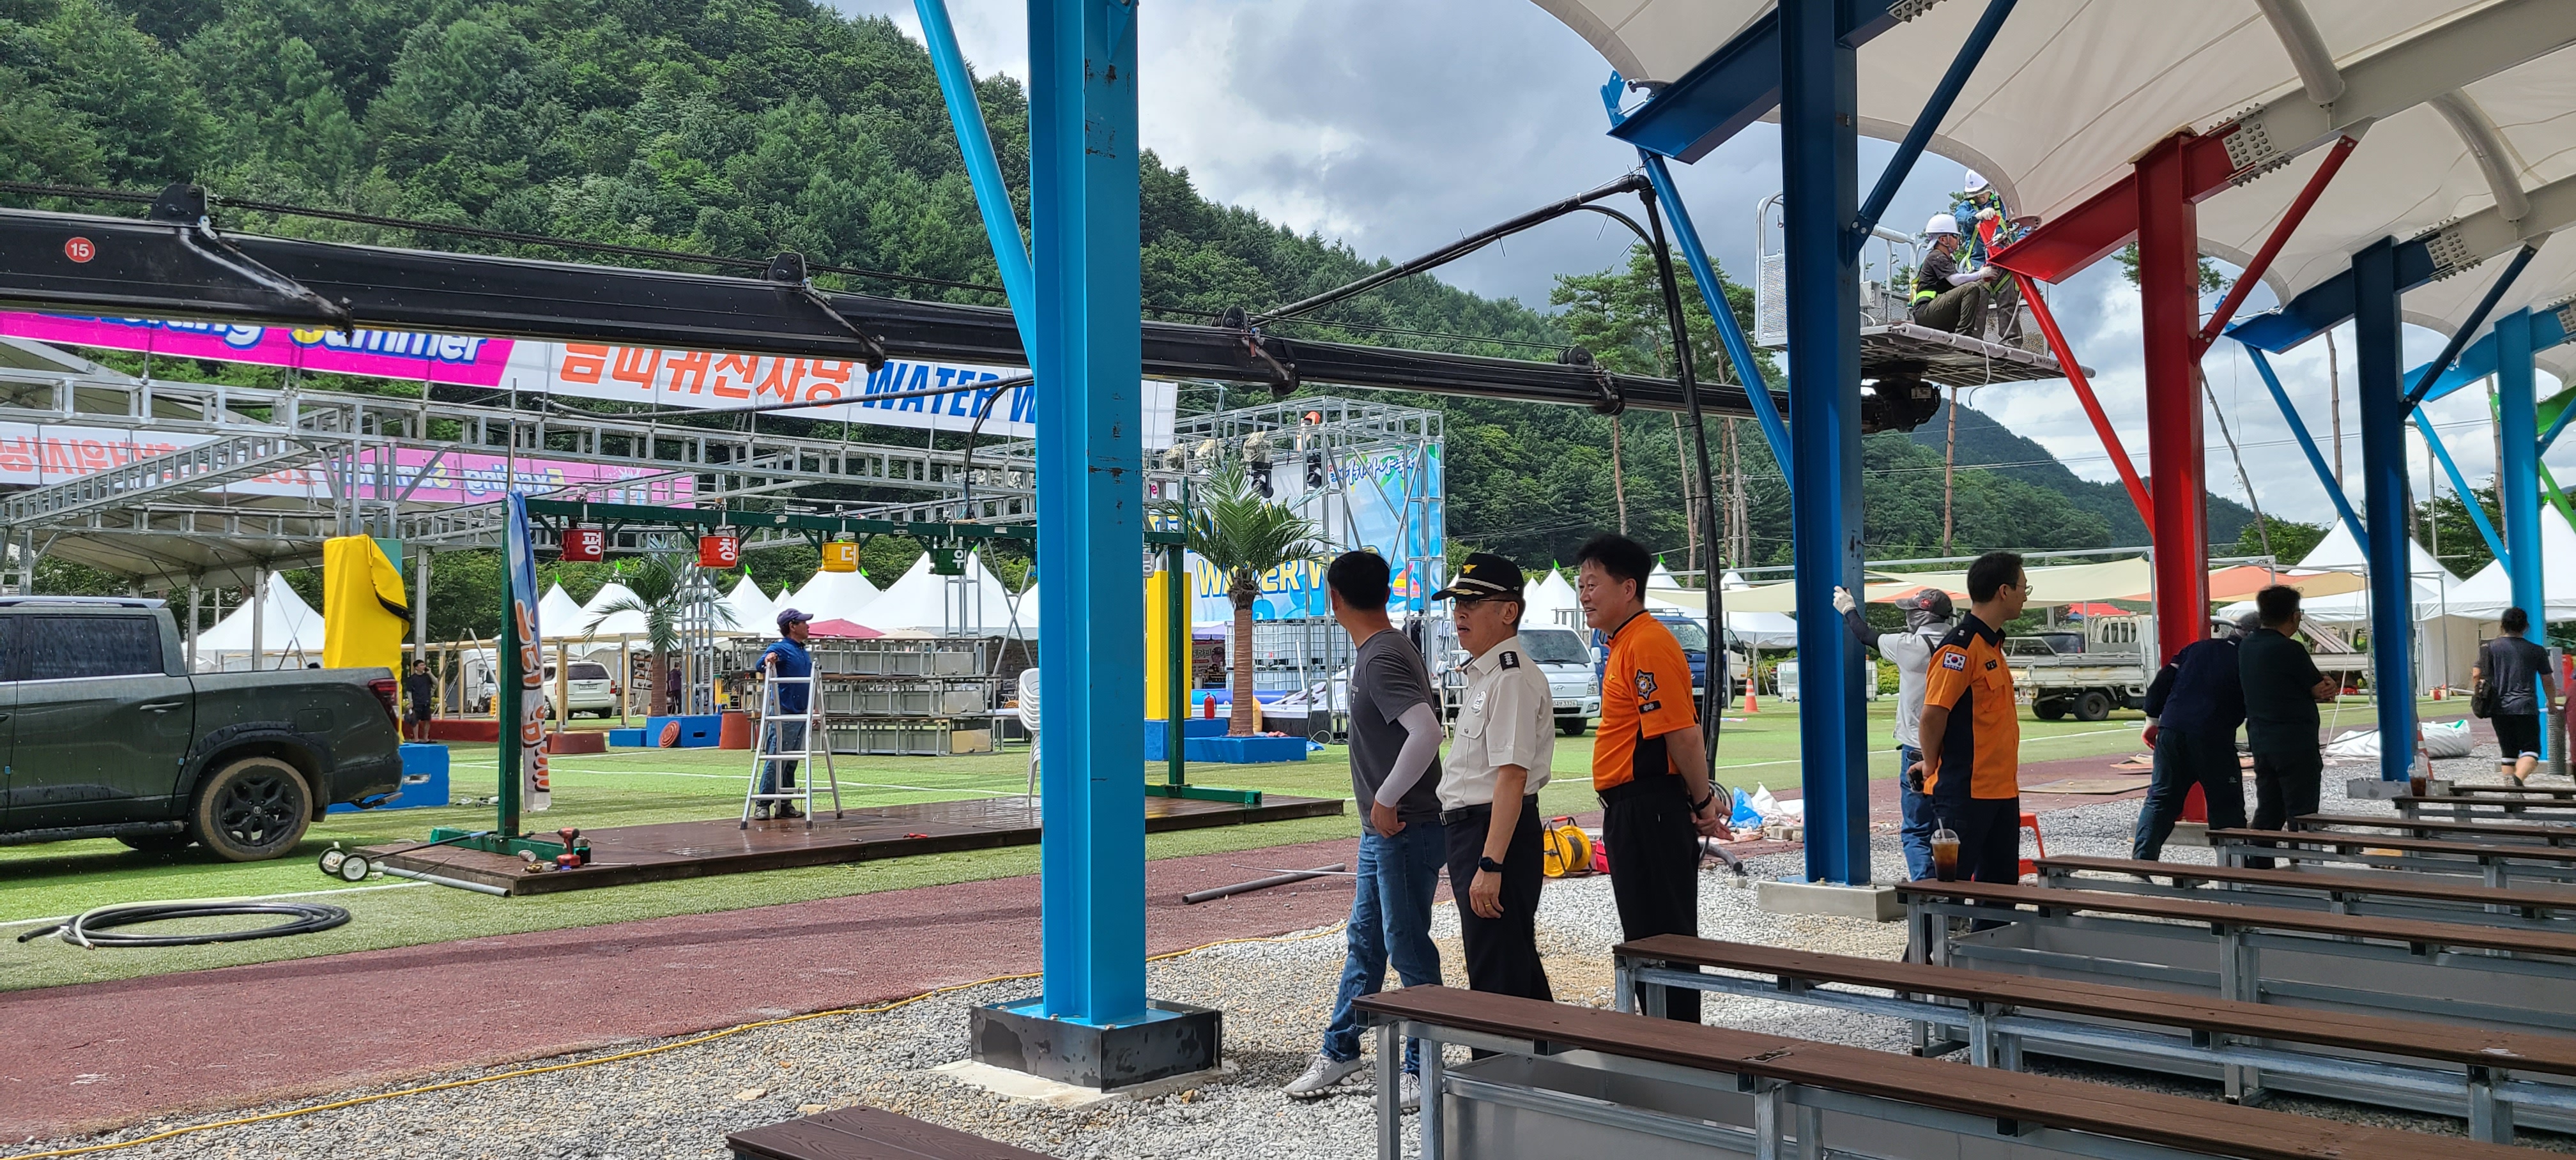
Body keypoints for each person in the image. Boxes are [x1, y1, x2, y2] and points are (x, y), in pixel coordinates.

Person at [1285, 551, 1446, 1108]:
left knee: (1406, 947)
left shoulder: (1379, 657)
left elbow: (1427, 732)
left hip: (1402, 826)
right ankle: (1342, 1048)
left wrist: (1386, 797)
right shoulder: (1387, 649)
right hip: (1389, 831)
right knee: (1367, 941)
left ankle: (1421, 1065)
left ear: (1334, 598)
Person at [1577, 533, 1728, 1025]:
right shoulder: (1625, 643)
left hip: (1650, 808)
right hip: (1633, 809)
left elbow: (1682, 733)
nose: (1584, 595)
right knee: (1645, 937)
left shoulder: (1646, 642)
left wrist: (1702, 802)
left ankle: (1679, 1043)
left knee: (1664, 938)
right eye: (1581, 585)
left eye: (1593, 584)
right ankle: (1663, 1039)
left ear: (1628, 588)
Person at [1432, 553, 1553, 1004]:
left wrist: (1490, 864)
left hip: (1494, 834)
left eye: (1473, 602)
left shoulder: (1510, 679)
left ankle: (1506, 1053)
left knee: (1497, 976)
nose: (1459, 613)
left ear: (1508, 612)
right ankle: (1547, 1047)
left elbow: (1512, 777)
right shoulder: (1488, 675)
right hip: (1480, 832)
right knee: (1511, 965)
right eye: (1457, 603)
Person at [1912, 551, 2032, 885]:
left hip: (2001, 791)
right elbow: (1933, 714)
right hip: (1965, 794)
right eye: (2023, 588)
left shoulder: (1992, 646)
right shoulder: (1961, 648)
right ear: (2004, 591)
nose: (2025, 596)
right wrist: (1931, 765)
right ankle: (1931, 927)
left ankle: (1992, 925)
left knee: (2000, 890)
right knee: (1948, 889)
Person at [1836, 585, 1954, 880]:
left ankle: (1927, 892)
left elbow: (1866, 635)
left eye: (1911, 612)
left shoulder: (1910, 646)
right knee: (1951, 826)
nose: (1907, 617)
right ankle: (1953, 888)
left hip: (1917, 748)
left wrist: (1848, 608)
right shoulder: (1960, 643)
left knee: (1917, 829)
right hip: (1955, 750)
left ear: (1922, 616)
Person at [2131, 615, 2252, 862]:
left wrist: (2152, 720)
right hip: (2213, 735)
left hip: (2172, 730)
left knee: (2161, 799)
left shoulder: (2197, 648)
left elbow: (2162, 682)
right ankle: (2233, 870)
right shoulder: (2251, 657)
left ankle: (2142, 864)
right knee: (2226, 804)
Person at [2238, 586, 2338, 869]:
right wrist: (2327, 686)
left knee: (2268, 809)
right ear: (2295, 616)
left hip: (2261, 738)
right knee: (2302, 814)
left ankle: (2259, 869)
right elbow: (2319, 689)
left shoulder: (2247, 646)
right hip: (2296, 741)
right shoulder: (2290, 649)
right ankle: (2304, 869)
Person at [2475, 607, 2557, 786]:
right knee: (2531, 751)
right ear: (2526, 626)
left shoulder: (2489, 648)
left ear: (2502, 625)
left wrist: (2480, 695)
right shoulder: (2536, 650)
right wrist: (2551, 702)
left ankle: (2512, 794)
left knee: (2508, 754)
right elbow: (2547, 680)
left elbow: (2476, 674)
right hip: (2526, 706)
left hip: (2499, 707)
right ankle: (2517, 779)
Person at [1913, 214, 2020, 341]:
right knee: (1971, 288)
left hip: (1935, 313)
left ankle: (1968, 334)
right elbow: (1956, 281)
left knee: (1975, 287)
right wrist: (1981, 274)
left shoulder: (1946, 259)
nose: (1958, 240)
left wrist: (1981, 278)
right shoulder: (1936, 256)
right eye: (1954, 236)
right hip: (1926, 312)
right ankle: (1964, 335)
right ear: (1943, 240)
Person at [755, 608, 815, 821]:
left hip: (800, 711)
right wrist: (768, 659)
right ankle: (763, 803)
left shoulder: (801, 650)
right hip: (785, 711)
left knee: (791, 761)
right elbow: (761, 663)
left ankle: (785, 803)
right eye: (804, 623)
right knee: (777, 758)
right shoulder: (781, 647)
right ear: (792, 626)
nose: (808, 626)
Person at [402, 659, 437, 742]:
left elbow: (436, 683)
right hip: (417, 701)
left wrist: (430, 673)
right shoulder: (412, 678)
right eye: (421, 665)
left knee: (427, 720)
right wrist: (411, 702)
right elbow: (409, 691)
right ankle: (416, 738)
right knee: (415, 720)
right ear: (416, 668)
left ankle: (426, 738)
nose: (423, 667)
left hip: (426, 700)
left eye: (424, 665)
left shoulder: (427, 677)